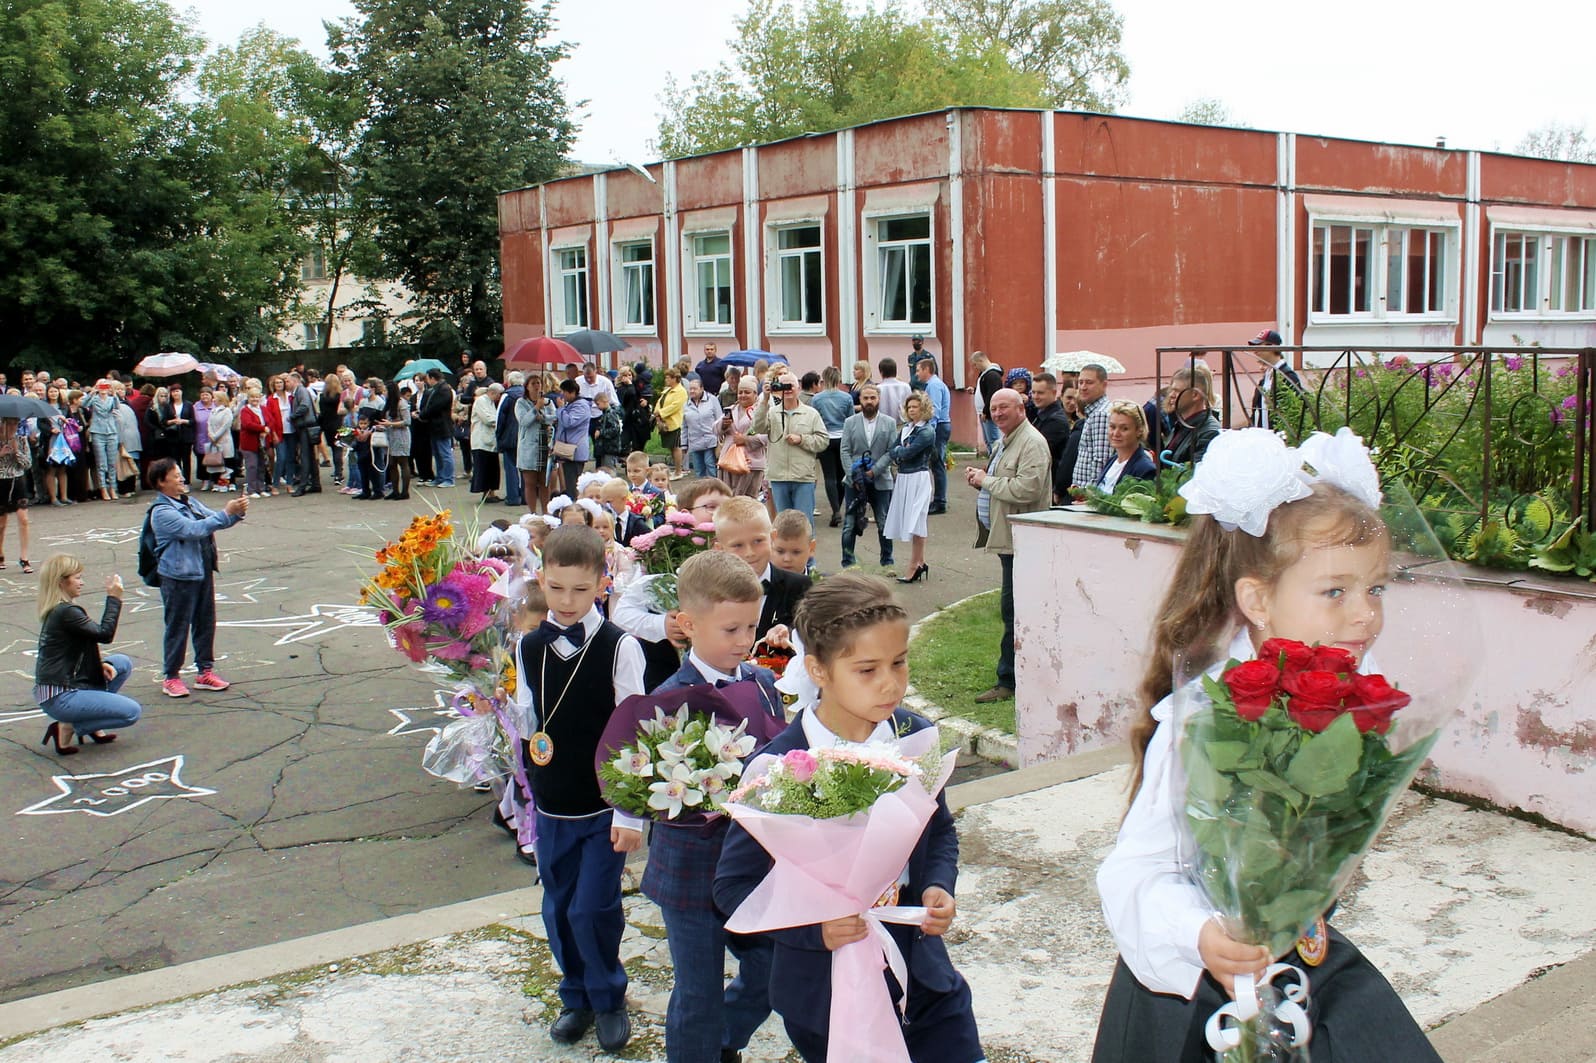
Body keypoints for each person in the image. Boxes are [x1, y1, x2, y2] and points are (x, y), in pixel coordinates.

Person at [1091, 437, 1440, 1063]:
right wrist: (1197, 933)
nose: (1365, 615)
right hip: (1202, 982)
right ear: (1257, 601)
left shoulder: (1347, 696)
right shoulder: (1205, 717)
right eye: (1336, 591)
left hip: (1302, 961)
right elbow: (1135, 871)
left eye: (1376, 589)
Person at [714, 572, 981, 1063]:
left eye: (899, 663)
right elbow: (733, 888)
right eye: (867, 670)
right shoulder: (779, 767)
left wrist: (937, 885)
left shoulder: (913, 737)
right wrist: (812, 931)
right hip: (824, 996)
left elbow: (938, 831)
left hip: (925, 980)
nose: (891, 683)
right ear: (817, 669)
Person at [643, 550, 783, 1063]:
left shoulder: (764, 683)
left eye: (752, 625)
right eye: (730, 629)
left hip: (752, 865)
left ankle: (725, 1040)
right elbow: (650, 787)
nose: (745, 640)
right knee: (697, 992)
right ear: (687, 623)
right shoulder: (666, 699)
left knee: (772, 972)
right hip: (691, 872)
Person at [513, 526, 644, 1054]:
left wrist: (631, 813)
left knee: (594, 907)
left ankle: (609, 996)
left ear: (602, 585)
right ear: (541, 580)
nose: (566, 602)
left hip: (602, 805)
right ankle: (577, 995)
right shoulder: (528, 644)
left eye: (580, 591)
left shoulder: (620, 647)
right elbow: (528, 719)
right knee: (558, 906)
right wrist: (485, 699)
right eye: (557, 588)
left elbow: (635, 731)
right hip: (552, 803)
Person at [967, 389, 1052, 705]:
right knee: (1012, 609)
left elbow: (1026, 489)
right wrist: (983, 478)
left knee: (1016, 609)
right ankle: (1016, 676)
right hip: (1009, 538)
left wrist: (985, 481)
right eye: (993, 409)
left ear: (1021, 407)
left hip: (1023, 540)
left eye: (1004, 407)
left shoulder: (1032, 443)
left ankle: (1011, 680)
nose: (998, 413)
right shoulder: (1007, 439)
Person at [147, 457, 246, 699]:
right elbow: (194, 530)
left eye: (181, 474)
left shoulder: (189, 503)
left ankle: (205, 671)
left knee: (205, 622)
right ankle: (171, 676)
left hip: (201, 570)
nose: (181, 479)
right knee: (178, 626)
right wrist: (227, 513)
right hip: (178, 576)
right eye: (175, 475)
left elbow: (215, 521)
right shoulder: (162, 512)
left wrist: (236, 513)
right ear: (161, 482)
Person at [33, 554, 140, 754]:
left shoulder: (60, 609)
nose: (82, 582)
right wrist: (114, 599)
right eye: (77, 577)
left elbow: (74, 648)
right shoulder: (66, 612)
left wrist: (98, 664)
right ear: (61, 582)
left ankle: (90, 723)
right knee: (131, 713)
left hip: (63, 684)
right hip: (60, 695)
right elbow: (104, 634)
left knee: (120, 663)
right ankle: (69, 726)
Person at [712, 495, 809, 641]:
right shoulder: (709, 591)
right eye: (738, 545)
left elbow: (812, 633)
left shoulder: (799, 586)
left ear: (773, 538)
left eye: (758, 541)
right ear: (720, 549)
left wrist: (788, 633)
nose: (750, 552)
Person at [753, 370, 828, 518]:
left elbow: (823, 440)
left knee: (804, 522)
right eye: (783, 386)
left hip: (802, 477)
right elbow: (757, 427)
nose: (787, 390)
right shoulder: (772, 412)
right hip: (778, 476)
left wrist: (802, 439)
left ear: (798, 387)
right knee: (783, 522)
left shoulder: (811, 413)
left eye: (790, 385)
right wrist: (764, 400)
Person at [840, 383, 897, 570]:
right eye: (866, 398)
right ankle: (848, 563)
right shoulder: (850, 422)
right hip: (854, 482)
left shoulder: (889, 423)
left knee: (883, 522)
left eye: (873, 398)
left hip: (880, 479)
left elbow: (891, 452)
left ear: (878, 399)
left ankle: (887, 562)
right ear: (860, 400)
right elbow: (845, 451)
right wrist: (853, 475)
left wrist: (875, 470)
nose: (869, 401)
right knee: (849, 524)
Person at [883, 392, 936, 584]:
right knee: (910, 520)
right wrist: (899, 452)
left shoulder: (926, 431)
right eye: (909, 407)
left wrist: (899, 452)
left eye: (915, 407)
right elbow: (894, 450)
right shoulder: (907, 429)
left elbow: (907, 452)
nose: (912, 410)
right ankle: (920, 562)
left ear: (924, 408)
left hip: (918, 477)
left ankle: (914, 565)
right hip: (904, 478)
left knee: (917, 520)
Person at [810, 367, 854, 528]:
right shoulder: (846, 397)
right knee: (842, 475)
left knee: (829, 476)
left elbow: (814, 418)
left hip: (825, 438)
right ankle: (838, 506)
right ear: (838, 379)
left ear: (824, 379)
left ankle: (835, 509)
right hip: (843, 437)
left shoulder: (817, 399)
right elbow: (851, 420)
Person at [718, 376, 768, 502]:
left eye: (747, 392)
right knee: (727, 497)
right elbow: (714, 429)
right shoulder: (731, 409)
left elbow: (768, 435)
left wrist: (746, 440)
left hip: (751, 462)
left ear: (755, 394)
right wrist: (723, 425)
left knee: (748, 500)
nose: (743, 395)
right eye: (740, 392)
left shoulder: (761, 412)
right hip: (728, 460)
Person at [1163, 362, 1223, 467]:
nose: (1171, 395)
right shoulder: (1183, 424)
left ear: (1195, 395)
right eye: (1171, 390)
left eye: (1177, 391)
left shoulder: (1209, 432)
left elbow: (1193, 475)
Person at [914, 359, 952, 514]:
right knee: (937, 463)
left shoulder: (933, 385)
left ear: (926, 369)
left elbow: (934, 410)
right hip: (942, 425)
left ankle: (940, 501)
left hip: (939, 427)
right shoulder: (935, 384)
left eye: (918, 370)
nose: (916, 373)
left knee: (937, 464)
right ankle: (938, 499)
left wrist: (929, 431)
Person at [517, 373, 557, 514]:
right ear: (527, 386)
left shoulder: (548, 402)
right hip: (529, 447)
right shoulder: (521, 403)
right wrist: (535, 409)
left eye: (538, 383)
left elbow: (554, 418)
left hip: (546, 444)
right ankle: (532, 512)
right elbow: (524, 421)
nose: (536, 386)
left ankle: (546, 512)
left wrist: (543, 417)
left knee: (545, 482)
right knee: (530, 483)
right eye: (533, 383)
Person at [1068, 363, 1113, 491]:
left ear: (1104, 385)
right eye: (1080, 382)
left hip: (1088, 495)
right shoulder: (1093, 412)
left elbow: (1101, 459)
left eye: (1089, 382)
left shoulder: (1101, 414)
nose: (1083, 387)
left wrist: (1091, 493)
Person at [1248, 328, 1305, 429]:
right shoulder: (1267, 375)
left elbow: (1295, 411)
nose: (1255, 351)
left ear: (1272, 347)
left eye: (1259, 346)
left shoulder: (1287, 375)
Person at [1097, 401, 1157, 490]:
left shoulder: (1145, 469)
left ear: (1139, 430)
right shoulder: (1111, 461)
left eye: (1124, 428)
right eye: (1112, 427)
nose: (1116, 433)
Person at [0, 418, 34, 573]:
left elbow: (28, 464)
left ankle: (24, 557)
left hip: (17, 480)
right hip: (1, 481)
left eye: (15, 424)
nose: (13, 427)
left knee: (24, 519)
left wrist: (16, 452)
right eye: (9, 424)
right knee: (1, 523)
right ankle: (0, 553)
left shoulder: (21, 440)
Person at [553, 378, 596, 498]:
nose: (562, 396)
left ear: (572, 392)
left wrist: (561, 408)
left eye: (564, 392)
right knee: (569, 482)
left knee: (573, 485)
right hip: (568, 450)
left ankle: (575, 508)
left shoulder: (581, 406)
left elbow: (569, 422)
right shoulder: (571, 405)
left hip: (575, 451)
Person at [84, 380, 122, 501]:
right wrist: (92, 391)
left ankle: (113, 488)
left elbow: (117, 406)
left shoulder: (111, 399)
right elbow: (84, 404)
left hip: (111, 431)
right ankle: (103, 489)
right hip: (97, 431)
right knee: (101, 463)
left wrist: (114, 393)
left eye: (105, 386)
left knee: (112, 463)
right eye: (102, 386)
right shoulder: (94, 399)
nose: (103, 388)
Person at [419, 369, 457, 488]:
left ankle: (448, 478)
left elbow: (435, 407)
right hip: (435, 426)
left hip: (442, 426)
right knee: (437, 454)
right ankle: (440, 477)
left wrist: (423, 414)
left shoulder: (444, 390)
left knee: (445, 453)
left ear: (432, 378)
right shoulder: (437, 389)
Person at [1031, 372, 1072, 479]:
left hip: (1049, 479)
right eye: (1033, 392)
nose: (1035, 396)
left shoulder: (1055, 421)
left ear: (1054, 393)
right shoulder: (1041, 414)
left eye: (1040, 393)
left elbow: (1037, 452)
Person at [681, 374, 722, 480]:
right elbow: (684, 426)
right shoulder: (686, 404)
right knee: (699, 470)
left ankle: (714, 489)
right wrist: (684, 444)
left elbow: (719, 419)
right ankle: (701, 492)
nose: (692, 391)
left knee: (710, 466)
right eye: (690, 389)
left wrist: (720, 438)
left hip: (710, 440)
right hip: (694, 442)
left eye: (695, 388)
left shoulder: (712, 400)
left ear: (702, 388)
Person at [287, 373, 322, 496]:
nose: (287, 384)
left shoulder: (301, 391)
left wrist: (292, 416)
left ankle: (303, 485)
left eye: (288, 381)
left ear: (295, 381)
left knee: (305, 456)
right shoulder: (300, 391)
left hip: (305, 427)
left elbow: (304, 406)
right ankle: (316, 483)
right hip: (307, 426)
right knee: (311, 456)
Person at [496, 372, 526, 507]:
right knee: (525, 468)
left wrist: (498, 437)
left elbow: (499, 419)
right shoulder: (528, 395)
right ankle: (526, 496)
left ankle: (513, 497)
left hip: (510, 437)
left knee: (511, 468)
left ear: (510, 382)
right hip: (526, 437)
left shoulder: (507, 396)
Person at [470, 382, 503, 502]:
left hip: (490, 441)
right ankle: (486, 493)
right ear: (492, 392)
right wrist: (500, 421)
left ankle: (492, 492)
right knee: (484, 468)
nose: (499, 398)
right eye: (498, 395)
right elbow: (487, 419)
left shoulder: (491, 402)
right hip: (481, 441)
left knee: (493, 469)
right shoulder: (481, 401)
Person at [382, 381, 413, 501]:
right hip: (390, 436)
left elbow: (407, 421)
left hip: (401, 436)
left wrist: (390, 423)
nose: (384, 393)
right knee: (392, 464)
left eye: (386, 390)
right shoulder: (389, 403)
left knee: (403, 462)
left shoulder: (401, 403)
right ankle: (395, 491)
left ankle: (405, 492)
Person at [653, 367, 688, 475]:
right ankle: (677, 469)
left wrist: (661, 412)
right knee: (670, 447)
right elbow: (660, 402)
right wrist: (657, 412)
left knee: (676, 447)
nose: (666, 380)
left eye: (668, 378)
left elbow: (675, 406)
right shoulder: (667, 390)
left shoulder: (680, 391)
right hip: (665, 423)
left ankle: (679, 470)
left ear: (675, 378)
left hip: (674, 423)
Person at [971, 351, 1005, 453]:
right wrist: (975, 390)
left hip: (989, 413)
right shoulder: (984, 374)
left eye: (975, 364)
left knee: (993, 440)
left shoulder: (992, 375)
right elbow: (985, 390)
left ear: (981, 360)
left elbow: (992, 395)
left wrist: (986, 411)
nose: (975, 367)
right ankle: (991, 462)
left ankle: (995, 463)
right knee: (988, 440)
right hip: (983, 412)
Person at [205, 389, 236, 493]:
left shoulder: (226, 411)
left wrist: (215, 436)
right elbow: (209, 423)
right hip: (214, 441)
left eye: (215, 398)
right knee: (216, 463)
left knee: (227, 462)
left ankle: (229, 482)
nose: (213, 400)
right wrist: (210, 434)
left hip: (224, 440)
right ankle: (216, 482)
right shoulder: (213, 411)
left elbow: (225, 426)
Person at [771, 509, 817, 576]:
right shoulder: (759, 584)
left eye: (796, 552)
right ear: (770, 546)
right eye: (780, 551)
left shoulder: (821, 584)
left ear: (811, 549)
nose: (787, 559)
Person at [591, 391, 625, 471]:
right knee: (604, 469)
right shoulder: (605, 414)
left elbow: (615, 429)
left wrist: (601, 432)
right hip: (605, 448)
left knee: (609, 470)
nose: (597, 407)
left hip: (610, 448)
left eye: (598, 404)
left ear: (604, 401)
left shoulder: (611, 413)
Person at [876, 357, 910, 425]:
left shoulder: (878, 389)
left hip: (883, 425)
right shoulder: (906, 387)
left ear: (881, 372)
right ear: (895, 371)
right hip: (902, 425)